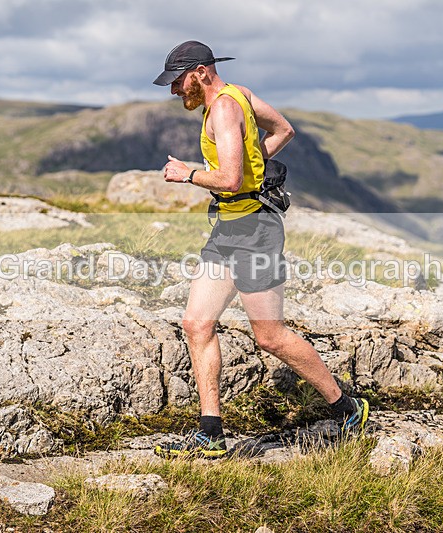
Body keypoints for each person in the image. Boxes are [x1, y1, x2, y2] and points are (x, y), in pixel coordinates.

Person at [152, 40, 369, 459]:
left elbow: (231, 179)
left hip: (256, 232)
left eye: (177, 82)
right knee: (197, 324)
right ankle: (210, 433)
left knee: (269, 336)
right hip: (227, 230)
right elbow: (284, 130)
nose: (174, 92)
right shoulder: (242, 95)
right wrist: (255, 169)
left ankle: (348, 408)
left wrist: (188, 174)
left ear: (199, 71)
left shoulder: (227, 108)